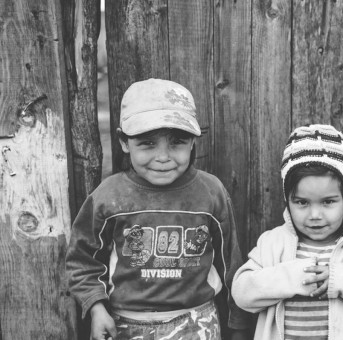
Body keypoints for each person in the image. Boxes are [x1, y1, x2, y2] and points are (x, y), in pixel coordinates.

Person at [66, 78, 252, 340]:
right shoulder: (108, 198)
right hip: (124, 324)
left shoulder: (211, 193)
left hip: (196, 323)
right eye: (147, 143)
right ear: (123, 141)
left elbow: (230, 264)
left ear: (192, 141)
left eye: (177, 142)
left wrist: (239, 325)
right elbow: (82, 260)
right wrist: (96, 308)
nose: (163, 157)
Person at [231, 124, 343, 339]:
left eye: (328, 202)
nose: (314, 214)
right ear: (288, 199)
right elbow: (242, 293)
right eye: (302, 202)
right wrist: (294, 276)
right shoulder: (272, 243)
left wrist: (342, 279)